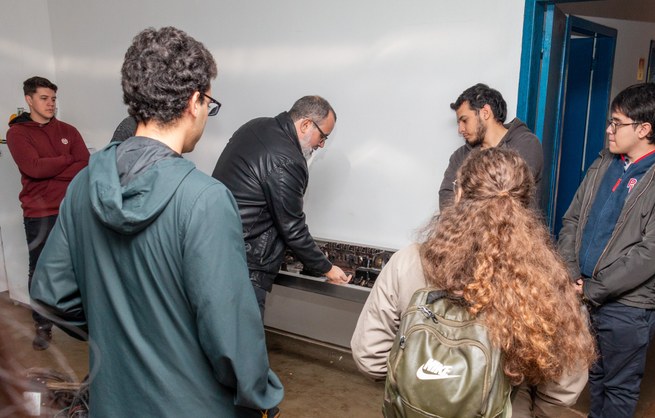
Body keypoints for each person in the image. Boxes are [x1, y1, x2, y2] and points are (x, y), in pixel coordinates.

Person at [29, 26, 283, 417]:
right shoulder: (205, 199)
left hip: (112, 399)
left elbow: (51, 292)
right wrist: (262, 394)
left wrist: (116, 331)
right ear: (195, 102)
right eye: (209, 103)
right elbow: (231, 338)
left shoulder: (83, 185)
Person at [352, 148, 595, 416]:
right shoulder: (546, 279)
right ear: (525, 205)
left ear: (458, 195)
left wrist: (418, 387)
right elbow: (564, 386)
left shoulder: (408, 261)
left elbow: (369, 356)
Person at [557, 83, 655, 418]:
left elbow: (652, 251)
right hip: (583, 291)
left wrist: (593, 288)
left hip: (628, 306)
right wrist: (571, 272)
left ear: (644, 129)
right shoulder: (605, 162)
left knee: (619, 387)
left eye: (616, 123)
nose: (609, 129)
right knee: (595, 376)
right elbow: (572, 218)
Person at [212, 96, 350, 318]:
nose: (321, 144)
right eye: (323, 136)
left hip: (216, 249)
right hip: (245, 267)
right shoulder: (288, 160)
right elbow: (292, 227)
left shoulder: (254, 126)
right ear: (306, 125)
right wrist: (327, 268)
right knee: (244, 337)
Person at [5, 76, 89, 351]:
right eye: (44, 98)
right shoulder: (18, 133)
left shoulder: (68, 130)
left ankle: (86, 322)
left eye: (53, 99)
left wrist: (51, 167)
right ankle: (43, 326)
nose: (51, 103)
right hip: (40, 214)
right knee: (41, 270)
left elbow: (85, 165)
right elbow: (33, 168)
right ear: (29, 100)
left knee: (81, 266)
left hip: (73, 209)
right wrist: (67, 161)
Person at [438, 83, 543, 211]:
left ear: (485, 112)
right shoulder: (460, 156)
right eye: (458, 123)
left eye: (464, 120)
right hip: (468, 225)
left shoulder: (526, 144)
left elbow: (508, 196)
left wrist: (465, 197)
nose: (460, 130)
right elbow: (446, 199)